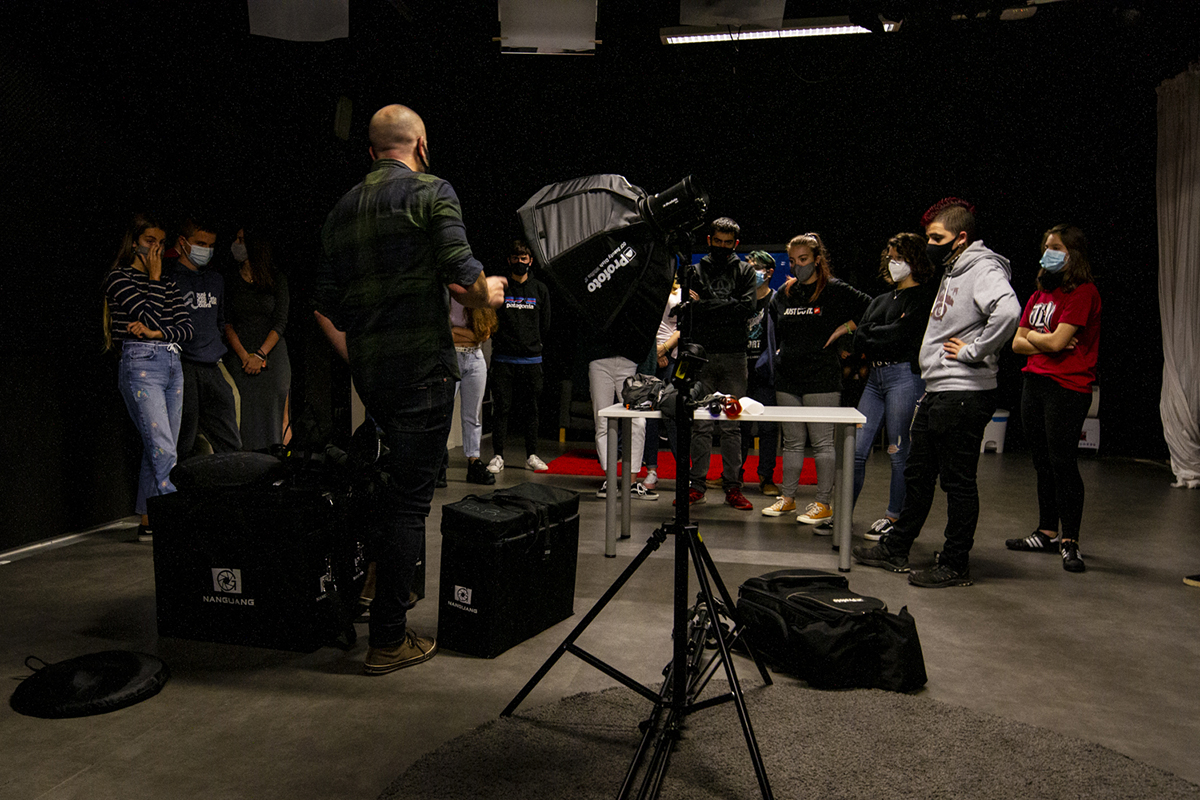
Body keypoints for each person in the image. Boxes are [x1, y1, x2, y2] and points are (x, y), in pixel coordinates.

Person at [315, 104, 506, 675]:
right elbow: (461, 271)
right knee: (408, 506)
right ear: (420, 144)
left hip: (371, 374)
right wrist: (488, 292)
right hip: (423, 370)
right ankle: (389, 640)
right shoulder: (432, 191)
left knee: (379, 492)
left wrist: (362, 351)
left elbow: (326, 301)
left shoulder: (340, 210)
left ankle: (367, 599)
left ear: (371, 150)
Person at [853, 198, 1021, 587]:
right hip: (938, 390)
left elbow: (1008, 311)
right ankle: (897, 546)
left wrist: (975, 351)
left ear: (961, 238)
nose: (930, 244)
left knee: (957, 481)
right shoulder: (953, 270)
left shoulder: (983, 268)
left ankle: (956, 562)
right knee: (919, 473)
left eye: (937, 237)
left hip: (963, 392)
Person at [1008, 224, 1101, 573]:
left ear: (1072, 253)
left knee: (1062, 462)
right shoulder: (1039, 295)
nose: (1048, 252)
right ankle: (1047, 531)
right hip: (1035, 382)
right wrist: (1043, 337)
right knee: (1041, 462)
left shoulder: (1083, 293)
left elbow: (1059, 344)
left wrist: (1039, 338)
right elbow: (1018, 344)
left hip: (1068, 387)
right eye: (1046, 246)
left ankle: (1070, 540)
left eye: (1056, 247)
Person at [761, 233, 870, 529]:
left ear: (818, 260)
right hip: (787, 377)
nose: (798, 266)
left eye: (804, 260)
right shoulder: (784, 293)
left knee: (822, 443)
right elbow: (774, 324)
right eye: (793, 261)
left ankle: (823, 503)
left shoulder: (834, 290)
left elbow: (871, 308)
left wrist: (845, 329)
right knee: (793, 443)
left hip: (822, 377)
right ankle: (788, 497)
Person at [103, 213, 194, 542]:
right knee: (163, 448)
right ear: (135, 243)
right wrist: (154, 279)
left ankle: (148, 521)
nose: (156, 248)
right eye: (149, 241)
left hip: (172, 363)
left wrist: (156, 332)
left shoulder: (169, 283)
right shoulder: (119, 279)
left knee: (156, 448)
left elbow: (186, 328)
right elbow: (149, 313)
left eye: (160, 242)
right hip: (141, 365)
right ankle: (174, 519)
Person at [850, 233, 938, 541]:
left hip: (905, 376)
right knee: (856, 450)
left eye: (898, 256)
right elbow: (860, 337)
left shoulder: (925, 296)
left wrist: (877, 333)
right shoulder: (881, 300)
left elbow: (902, 335)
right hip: (874, 379)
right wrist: (880, 332)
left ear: (914, 260)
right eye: (889, 255)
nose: (892, 261)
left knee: (899, 451)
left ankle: (894, 518)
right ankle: (843, 514)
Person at [685, 217, 757, 510]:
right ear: (709, 240)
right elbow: (691, 311)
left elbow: (747, 308)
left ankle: (733, 487)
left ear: (736, 244)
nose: (723, 247)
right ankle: (697, 485)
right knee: (701, 424)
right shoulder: (695, 269)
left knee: (732, 425)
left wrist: (704, 304)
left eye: (729, 243)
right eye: (718, 242)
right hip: (702, 355)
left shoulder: (746, 271)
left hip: (735, 355)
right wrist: (724, 307)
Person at [164, 217, 242, 459]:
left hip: (212, 366)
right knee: (184, 441)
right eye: (200, 243)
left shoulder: (215, 280)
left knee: (230, 440)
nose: (205, 250)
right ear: (183, 242)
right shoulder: (170, 279)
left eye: (210, 245)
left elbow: (220, 320)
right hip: (183, 365)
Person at [487, 239, 552, 475]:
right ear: (509, 260)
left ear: (530, 261)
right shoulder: (501, 289)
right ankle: (498, 456)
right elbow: (491, 320)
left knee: (531, 409)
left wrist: (531, 345)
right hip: (503, 360)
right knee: (501, 409)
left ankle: (531, 455)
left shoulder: (540, 289)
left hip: (532, 361)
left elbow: (545, 325)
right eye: (515, 258)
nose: (520, 262)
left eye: (524, 259)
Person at [223, 228, 291, 451]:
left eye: (241, 240)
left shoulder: (275, 278)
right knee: (242, 418)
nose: (237, 244)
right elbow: (226, 322)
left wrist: (261, 354)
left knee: (276, 417)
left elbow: (280, 323)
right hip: (240, 356)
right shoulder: (230, 279)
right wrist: (245, 356)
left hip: (271, 356)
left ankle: (276, 470)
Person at [740, 251, 781, 496]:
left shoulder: (777, 301)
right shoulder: (742, 300)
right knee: (739, 426)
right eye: (748, 266)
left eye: (755, 267)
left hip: (766, 372)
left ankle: (766, 477)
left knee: (767, 427)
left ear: (769, 272)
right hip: (741, 370)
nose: (751, 271)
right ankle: (733, 475)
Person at [451, 295, 499, 484]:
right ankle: (438, 463)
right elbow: (442, 333)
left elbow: (484, 333)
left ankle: (474, 461)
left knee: (472, 415)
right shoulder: (445, 295)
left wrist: (456, 332)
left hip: (475, 358)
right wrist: (468, 334)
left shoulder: (477, 296)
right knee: (443, 413)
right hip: (451, 357)